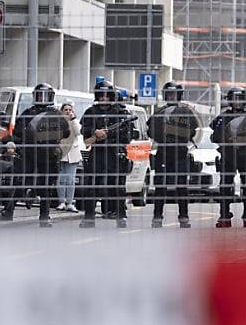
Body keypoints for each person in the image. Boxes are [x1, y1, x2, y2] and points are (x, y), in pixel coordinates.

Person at [0, 83, 70, 226]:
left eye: (45, 95)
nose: (42, 99)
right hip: (29, 152)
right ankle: (8, 211)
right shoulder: (28, 113)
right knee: (21, 182)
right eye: (39, 95)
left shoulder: (55, 114)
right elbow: (18, 133)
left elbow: (65, 132)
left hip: (48, 154)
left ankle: (44, 216)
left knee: (46, 186)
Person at [79, 80, 137, 229]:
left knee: (117, 186)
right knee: (91, 185)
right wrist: (94, 132)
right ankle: (89, 217)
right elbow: (84, 131)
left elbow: (128, 134)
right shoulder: (91, 112)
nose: (104, 98)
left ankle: (120, 216)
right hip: (96, 152)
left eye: (106, 95)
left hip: (115, 152)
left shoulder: (121, 112)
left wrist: (109, 135)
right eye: (101, 95)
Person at [210, 87, 246, 228]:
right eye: (234, 99)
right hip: (228, 155)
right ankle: (224, 215)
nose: (237, 102)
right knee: (225, 186)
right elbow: (215, 136)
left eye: (239, 99)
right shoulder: (222, 117)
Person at [147, 82, 201, 229]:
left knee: (182, 186)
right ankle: (157, 217)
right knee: (160, 186)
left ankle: (184, 217)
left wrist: (175, 133)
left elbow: (192, 130)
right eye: (169, 94)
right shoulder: (158, 112)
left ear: (179, 95)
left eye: (174, 94)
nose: (171, 96)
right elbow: (151, 132)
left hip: (180, 152)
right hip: (163, 151)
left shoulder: (186, 112)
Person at [57, 101, 83, 213]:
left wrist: (73, 120)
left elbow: (78, 132)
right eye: (66, 110)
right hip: (61, 152)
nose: (68, 112)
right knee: (61, 179)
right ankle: (61, 202)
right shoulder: (58, 122)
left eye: (70, 110)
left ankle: (70, 202)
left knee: (71, 180)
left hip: (73, 153)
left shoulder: (75, 122)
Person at [0, 138, 20, 213]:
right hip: (3, 173)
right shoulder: (2, 155)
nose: (10, 150)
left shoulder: (16, 157)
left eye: (11, 148)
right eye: (9, 148)